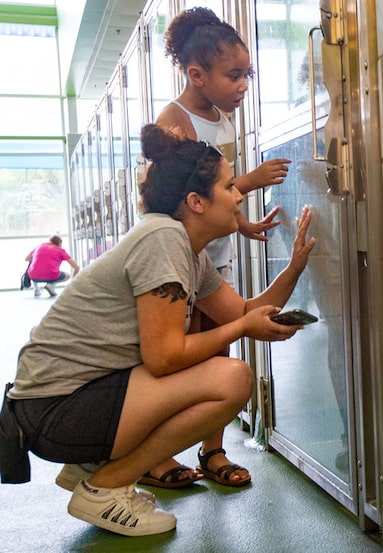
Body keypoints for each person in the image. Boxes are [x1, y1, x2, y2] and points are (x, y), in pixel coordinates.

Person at [0, 124, 315, 537]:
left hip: (70, 401)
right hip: (54, 411)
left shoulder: (187, 252)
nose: (239, 195)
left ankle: (96, 466)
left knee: (225, 371)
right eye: (228, 186)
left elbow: (245, 311)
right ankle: (105, 485)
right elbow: (164, 357)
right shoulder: (163, 239)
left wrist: (294, 267)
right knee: (232, 378)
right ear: (196, 202)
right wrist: (241, 327)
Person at [144, 6, 293, 488]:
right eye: (234, 75)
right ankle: (159, 454)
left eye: (247, 75)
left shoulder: (223, 118)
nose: (243, 85)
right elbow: (186, 198)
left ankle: (213, 449)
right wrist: (248, 182)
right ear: (196, 74)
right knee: (177, 360)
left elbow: (218, 194)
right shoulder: (175, 119)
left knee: (221, 350)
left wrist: (241, 222)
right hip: (179, 261)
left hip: (215, 258)